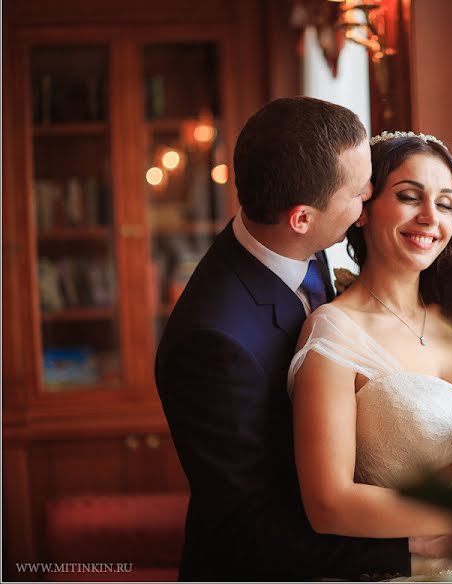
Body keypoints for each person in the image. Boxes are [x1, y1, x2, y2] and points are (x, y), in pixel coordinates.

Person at [155, 97, 412, 581]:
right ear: (301, 218)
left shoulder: (299, 246)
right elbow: (249, 529)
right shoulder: (212, 345)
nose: (369, 201)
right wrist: (410, 549)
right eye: (359, 193)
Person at [288, 131, 452, 576]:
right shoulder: (335, 331)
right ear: (363, 210)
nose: (430, 217)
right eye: (410, 197)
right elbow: (328, 503)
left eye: (445, 204)